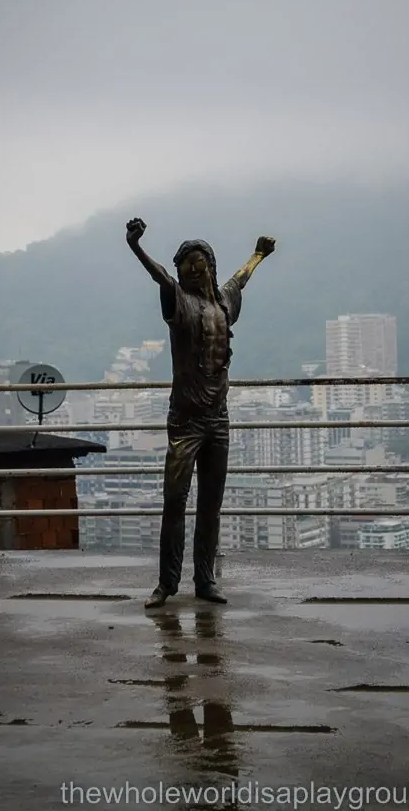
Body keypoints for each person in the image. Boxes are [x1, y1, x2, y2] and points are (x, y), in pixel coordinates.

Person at [125, 218, 276, 608]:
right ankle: (166, 583)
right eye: (184, 263)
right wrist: (136, 247)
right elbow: (160, 278)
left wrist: (258, 255)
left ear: (210, 264)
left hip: (218, 418)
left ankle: (205, 580)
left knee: (211, 503)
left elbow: (241, 279)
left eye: (197, 260)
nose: (191, 268)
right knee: (174, 501)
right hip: (186, 419)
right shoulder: (179, 301)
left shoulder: (223, 302)